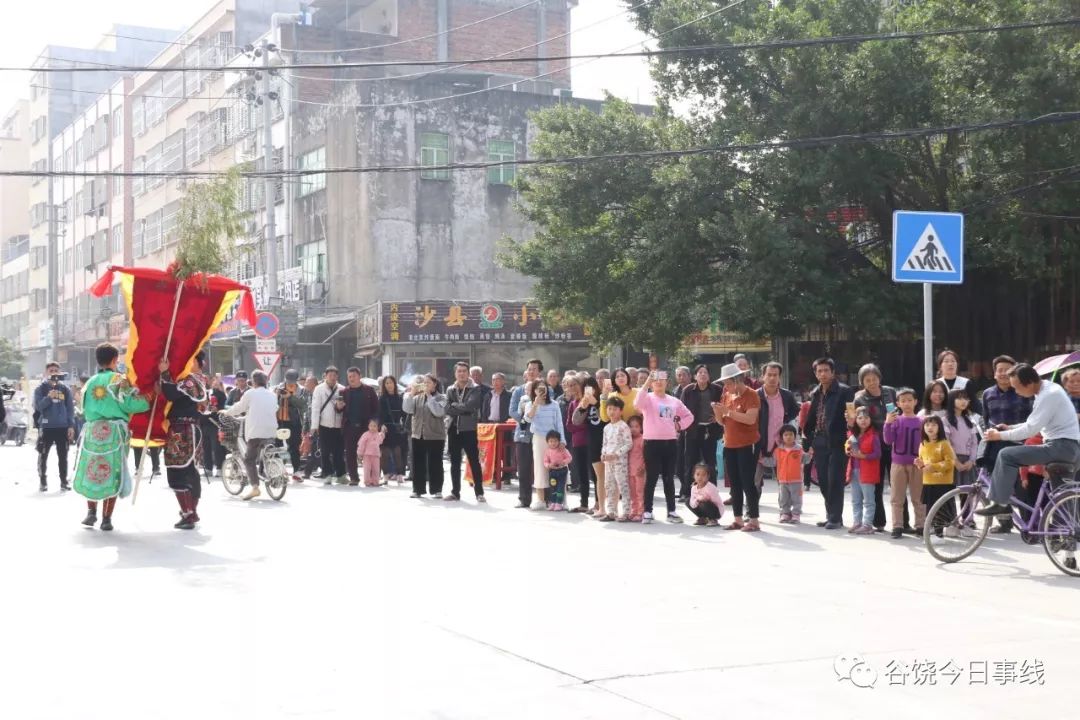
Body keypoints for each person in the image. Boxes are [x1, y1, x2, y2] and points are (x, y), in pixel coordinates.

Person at [976, 364, 1080, 518]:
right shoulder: (1048, 390)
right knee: (1061, 498)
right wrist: (1009, 427)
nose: (1016, 392)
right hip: (1068, 448)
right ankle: (1064, 537)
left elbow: (1030, 430)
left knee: (1006, 455)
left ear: (1030, 383)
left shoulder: (1048, 395)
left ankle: (1000, 502)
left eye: (1017, 388)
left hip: (1060, 446)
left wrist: (1000, 436)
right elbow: (1033, 423)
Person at [74, 343, 151, 531]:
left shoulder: (90, 383)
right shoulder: (119, 380)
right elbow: (132, 404)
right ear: (115, 360)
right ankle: (106, 519)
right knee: (114, 471)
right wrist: (149, 398)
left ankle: (91, 513)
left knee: (92, 471)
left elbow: (82, 409)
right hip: (115, 434)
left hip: (92, 432)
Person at [981, 355, 1034, 533]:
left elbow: (1032, 419)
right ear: (994, 373)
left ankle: (1029, 522)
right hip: (995, 443)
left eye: (1007, 370)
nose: (1003, 373)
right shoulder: (988, 394)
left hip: (1020, 442)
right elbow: (985, 418)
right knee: (997, 482)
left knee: (1021, 484)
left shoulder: (1023, 391)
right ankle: (1004, 522)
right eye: (999, 370)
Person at [635, 371, 694, 525]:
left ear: (667, 383)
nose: (659, 382)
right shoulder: (647, 398)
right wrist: (647, 383)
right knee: (652, 478)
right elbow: (637, 404)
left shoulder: (674, 401)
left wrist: (679, 425)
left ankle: (671, 511)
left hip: (670, 443)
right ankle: (648, 511)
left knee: (669, 478)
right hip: (651, 442)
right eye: (656, 380)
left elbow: (689, 416)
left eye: (662, 380)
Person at [159, 352, 210, 529]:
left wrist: (164, 373)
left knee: (177, 469)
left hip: (183, 429)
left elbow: (172, 393)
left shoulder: (190, 380)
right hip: (190, 428)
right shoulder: (199, 380)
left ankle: (188, 513)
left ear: (197, 362)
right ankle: (191, 511)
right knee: (189, 470)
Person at [803, 357, 855, 530]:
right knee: (823, 480)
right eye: (819, 371)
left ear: (833, 372)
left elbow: (852, 415)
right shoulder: (816, 392)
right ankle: (830, 515)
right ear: (815, 374)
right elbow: (811, 417)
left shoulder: (845, 391)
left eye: (826, 370)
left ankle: (835, 517)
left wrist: (851, 424)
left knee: (835, 480)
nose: (823, 374)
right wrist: (807, 438)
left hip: (838, 440)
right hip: (819, 440)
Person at [715, 363, 762, 531]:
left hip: (747, 443)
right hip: (730, 443)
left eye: (727, 383)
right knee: (734, 483)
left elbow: (750, 419)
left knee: (747, 482)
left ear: (736, 380)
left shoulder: (752, 395)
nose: (725, 387)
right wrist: (718, 411)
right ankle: (738, 519)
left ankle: (754, 520)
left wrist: (728, 411)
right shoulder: (727, 395)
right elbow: (722, 422)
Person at [220, 370, 279, 501]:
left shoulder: (250, 393)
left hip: (256, 430)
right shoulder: (272, 394)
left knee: (249, 459)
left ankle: (255, 487)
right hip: (271, 430)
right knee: (265, 452)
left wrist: (227, 412)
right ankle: (266, 473)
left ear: (253, 381)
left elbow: (239, 408)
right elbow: (275, 408)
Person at [851, 363, 897, 532]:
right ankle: (878, 522)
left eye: (874, 379)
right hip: (872, 446)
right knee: (875, 486)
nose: (871, 382)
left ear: (880, 378)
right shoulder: (859, 399)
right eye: (867, 380)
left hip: (892, 444)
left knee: (897, 485)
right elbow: (856, 423)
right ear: (862, 382)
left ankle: (902, 523)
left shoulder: (890, 392)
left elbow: (897, 413)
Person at [883, 388, 926, 539]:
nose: (906, 403)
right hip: (898, 464)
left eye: (909, 400)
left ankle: (921, 525)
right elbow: (888, 440)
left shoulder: (922, 422)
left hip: (917, 464)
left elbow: (927, 443)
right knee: (897, 497)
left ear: (915, 402)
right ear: (898, 404)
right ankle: (897, 526)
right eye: (903, 401)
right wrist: (887, 423)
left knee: (919, 497)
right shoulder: (895, 421)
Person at [754, 362, 799, 494]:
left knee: (784, 482)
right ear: (762, 376)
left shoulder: (787, 396)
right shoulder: (755, 396)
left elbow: (794, 412)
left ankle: (785, 511)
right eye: (769, 375)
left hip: (780, 445)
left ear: (780, 377)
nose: (772, 378)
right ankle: (752, 511)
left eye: (776, 375)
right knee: (753, 482)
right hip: (758, 444)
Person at [443, 362, 486, 503]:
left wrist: (456, 406)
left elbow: (471, 405)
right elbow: (447, 408)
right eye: (459, 371)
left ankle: (479, 493)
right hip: (453, 429)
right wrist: (461, 408)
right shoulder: (450, 389)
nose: (461, 373)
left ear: (468, 373)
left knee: (474, 461)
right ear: (455, 373)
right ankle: (455, 492)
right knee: (454, 462)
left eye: (464, 371)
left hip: (469, 429)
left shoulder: (475, 389)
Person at [679, 365, 723, 497]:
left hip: (710, 430)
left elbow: (724, 405)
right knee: (690, 462)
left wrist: (718, 417)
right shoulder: (688, 390)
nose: (703, 374)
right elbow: (681, 409)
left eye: (705, 372)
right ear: (695, 376)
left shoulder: (717, 389)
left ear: (709, 376)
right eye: (700, 372)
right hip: (693, 430)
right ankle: (688, 492)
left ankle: (712, 491)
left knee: (710, 462)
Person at [403, 374, 447, 499]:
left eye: (428, 382)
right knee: (418, 463)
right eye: (424, 382)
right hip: (418, 434)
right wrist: (411, 393)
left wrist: (429, 397)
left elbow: (438, 412)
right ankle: (417, 490)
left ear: (435, 384)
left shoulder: (442, 398)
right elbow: (407, 409)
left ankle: (436, 490)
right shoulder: (417, 398)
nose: (425, 385)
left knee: (435, 463)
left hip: (435, 435)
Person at [34, 361, 75, 492]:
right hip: (46, 427)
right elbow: (38, 407)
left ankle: (63, 481)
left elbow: (70, 409)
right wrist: (48, 397)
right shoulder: (41, 388)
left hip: (62, 427)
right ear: (46, 373)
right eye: (51, 371)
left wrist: (70, 426)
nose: (54, 373)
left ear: (60, 372)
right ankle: (43, 481)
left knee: (63, 456)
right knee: (43, 455)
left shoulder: (65, 389)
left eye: (56, 370)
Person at [524, 381, 565, 510]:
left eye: (544, 388)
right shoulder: (530, 404)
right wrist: (535, 405)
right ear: (534, 390)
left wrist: (562, 440)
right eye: (538, 388)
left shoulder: (554, 404)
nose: (542, 390)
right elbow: (527, 419)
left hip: (554, 439)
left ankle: (560, 500)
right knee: (540, 468)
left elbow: (559, 423)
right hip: (539, 438)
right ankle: (541, 500)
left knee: (559, 468)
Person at [916, 415, 957, 537]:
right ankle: (934, 531)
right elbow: (924, 464)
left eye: (934, 425)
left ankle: (939, 534)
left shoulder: (944, 443)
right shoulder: (923, 444)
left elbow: (950, 462)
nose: (930, 427)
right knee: (930, 509)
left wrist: (934, 466)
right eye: (927, 425)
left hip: (943, 483)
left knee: (942, 509)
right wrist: (920, 464)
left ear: (940, 428)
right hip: (928, 482)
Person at [510, 359, 543, 508]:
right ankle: (524, 498)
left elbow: (548, 409)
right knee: (523, 468)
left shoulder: (545, 389)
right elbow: (511, 411)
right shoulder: (518, 390)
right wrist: (524, 418)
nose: (531, 372)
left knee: (543, 467)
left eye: (534, 369)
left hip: (541, 433)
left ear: (539, 372)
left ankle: (545, 498)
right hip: (523, 433)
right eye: (529, 369)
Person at [341, 367, 380, 487]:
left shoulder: (369, 391)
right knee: (350, 453)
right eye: (349, 377)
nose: (351, 379)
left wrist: (375, 424)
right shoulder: (344, 392)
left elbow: (376, 409)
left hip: (366, 428)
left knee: (371, 453)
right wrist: (338, 407)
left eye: (354, 376)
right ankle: (354, 477)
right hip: (350, 426)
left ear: (359, 376)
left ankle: (373, 478)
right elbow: (339, 409)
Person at [845, 408, 881, 535]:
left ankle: (867, 524)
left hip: (868, 471)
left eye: (866, 417)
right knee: (855, 499)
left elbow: (877, 454)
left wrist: (864, 456)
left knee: (869, 500)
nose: (863, 420)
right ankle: (857, 522)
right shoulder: (852, 434)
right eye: (860, 418)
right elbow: (847, 447)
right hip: (854, 470)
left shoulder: (874, 435)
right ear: (856, 420)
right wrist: (848, 449)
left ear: (871, 420)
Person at [309, 367, 346, 485]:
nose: (333, 377)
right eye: (330, 375)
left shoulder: (342, 389)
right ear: (325, 376)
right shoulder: (319, 389)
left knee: (339, 451)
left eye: (335, 375)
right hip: (324, 424)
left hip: (338, 425)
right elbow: (315, 408)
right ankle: (328, 474)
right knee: (325, 451)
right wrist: (314, 426)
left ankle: (341, 475)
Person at [599, 395, 632, 521]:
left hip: (620, 462)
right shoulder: (606, 428)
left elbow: (628, 443)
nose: (611, 412)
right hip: (608, 462)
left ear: (621, 411)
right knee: (609, 486)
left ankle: (626, 512)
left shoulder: (623, 426)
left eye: (615, 409)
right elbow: (605, 443)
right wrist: (603, 454)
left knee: (623, 486)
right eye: (609, 409)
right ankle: (611, 512)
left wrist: (617, 454)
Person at [945, 389, 979, 488]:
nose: (963, 401)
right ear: (951, 400)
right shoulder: (945, 421)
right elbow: (946, 443)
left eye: (966, 398)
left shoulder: (969, 421)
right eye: (959, 398)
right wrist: (956, 462)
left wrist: (972, 460)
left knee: (967, 495)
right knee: (950, 494)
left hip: (968, 461)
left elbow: (974, 443)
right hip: (952, 461)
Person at [379, 376, 407, 486]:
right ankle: (385, 476)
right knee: (384, 453)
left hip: (398, 428)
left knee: (398, 452)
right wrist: (381, 425)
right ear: (384, 385)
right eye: (386, 383)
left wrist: (404, 425)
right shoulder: (381, 398)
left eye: (391, 383)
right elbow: (379, 414)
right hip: (386, 428)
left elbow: (404, 414)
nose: (389, 385)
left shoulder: (400, 398)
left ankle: (400, 475)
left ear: (395, 384)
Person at [774, 424, 804, 523]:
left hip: (796, 479)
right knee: (784, 498)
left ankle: (796, 514)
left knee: (796, 498)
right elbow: (773, 461)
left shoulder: (799, 449)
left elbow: (805, 459)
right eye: (786, 435)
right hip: (782, 479)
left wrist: (810, 454)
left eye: (791, 434)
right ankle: (785, 513)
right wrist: (762, 460)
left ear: (795, 436)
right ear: (782, 437)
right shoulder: (778, 450)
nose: (788, 437)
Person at [202, 376, 228, 479]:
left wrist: (217, 409)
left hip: (215, 423)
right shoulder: (199, 393)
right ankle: (208, 468)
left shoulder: (219, 393)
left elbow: (224, 407)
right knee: (206, 447)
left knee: (217, 447)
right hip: (204, 422)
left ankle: (219, 468)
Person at [673, 366, 692, 494]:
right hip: (678, 430)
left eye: (684, 374)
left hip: (693, 430)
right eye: (679, 375)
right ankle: (684, 487)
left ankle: (687, 490)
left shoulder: (694, 390)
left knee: (690, 461)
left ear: (690, 376)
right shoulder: (675, 391)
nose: (681, 377)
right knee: (678, 463)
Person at [542, 430, 573, 511]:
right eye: (551, 441)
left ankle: (559, 503)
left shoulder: (563, 449)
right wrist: (549, 465)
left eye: (555, 441)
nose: (553, 443)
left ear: (559, 441)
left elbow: (569, 457)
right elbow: (545, 461)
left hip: (562, 471)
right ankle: (553, 503)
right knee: (553, 487)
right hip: (552, 472)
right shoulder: (547, 451)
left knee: (560, 488)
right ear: (547, 442)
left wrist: (564, 462)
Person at [299, 375, 320, 480]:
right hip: (310, 427)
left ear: (315, 384)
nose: (305, 384)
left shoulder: (319, 394)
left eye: (308, 382)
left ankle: (308, 471)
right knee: (315, 449)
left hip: (319, 427)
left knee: (315, 449)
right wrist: (305, 428)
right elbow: (307, 413)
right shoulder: (307, 394)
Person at [356, 419, 387, 487]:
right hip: (367, 455)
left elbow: (380, 440)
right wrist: (360, 453)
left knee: (376, 469)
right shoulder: (366, 434)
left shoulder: (377, 435)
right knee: (367, 469)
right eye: (371, 426)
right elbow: (361, 444)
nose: (372, 427)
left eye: (374, 426)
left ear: (377, 427)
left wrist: (382, 432)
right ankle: (367, 482)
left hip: (376, 455)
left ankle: (375, 481)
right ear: (368, 426)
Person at [627, 415, 646, 522]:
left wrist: (643, 467)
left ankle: (641, 512)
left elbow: (646, 455)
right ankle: (633, 511)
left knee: (640, 492)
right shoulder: (628, 439)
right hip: (630, 471)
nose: (633, 429)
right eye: (631, 426)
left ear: (641, 428)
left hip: (639, 471)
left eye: (636, 426)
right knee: (632, 492)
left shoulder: (642, 439)